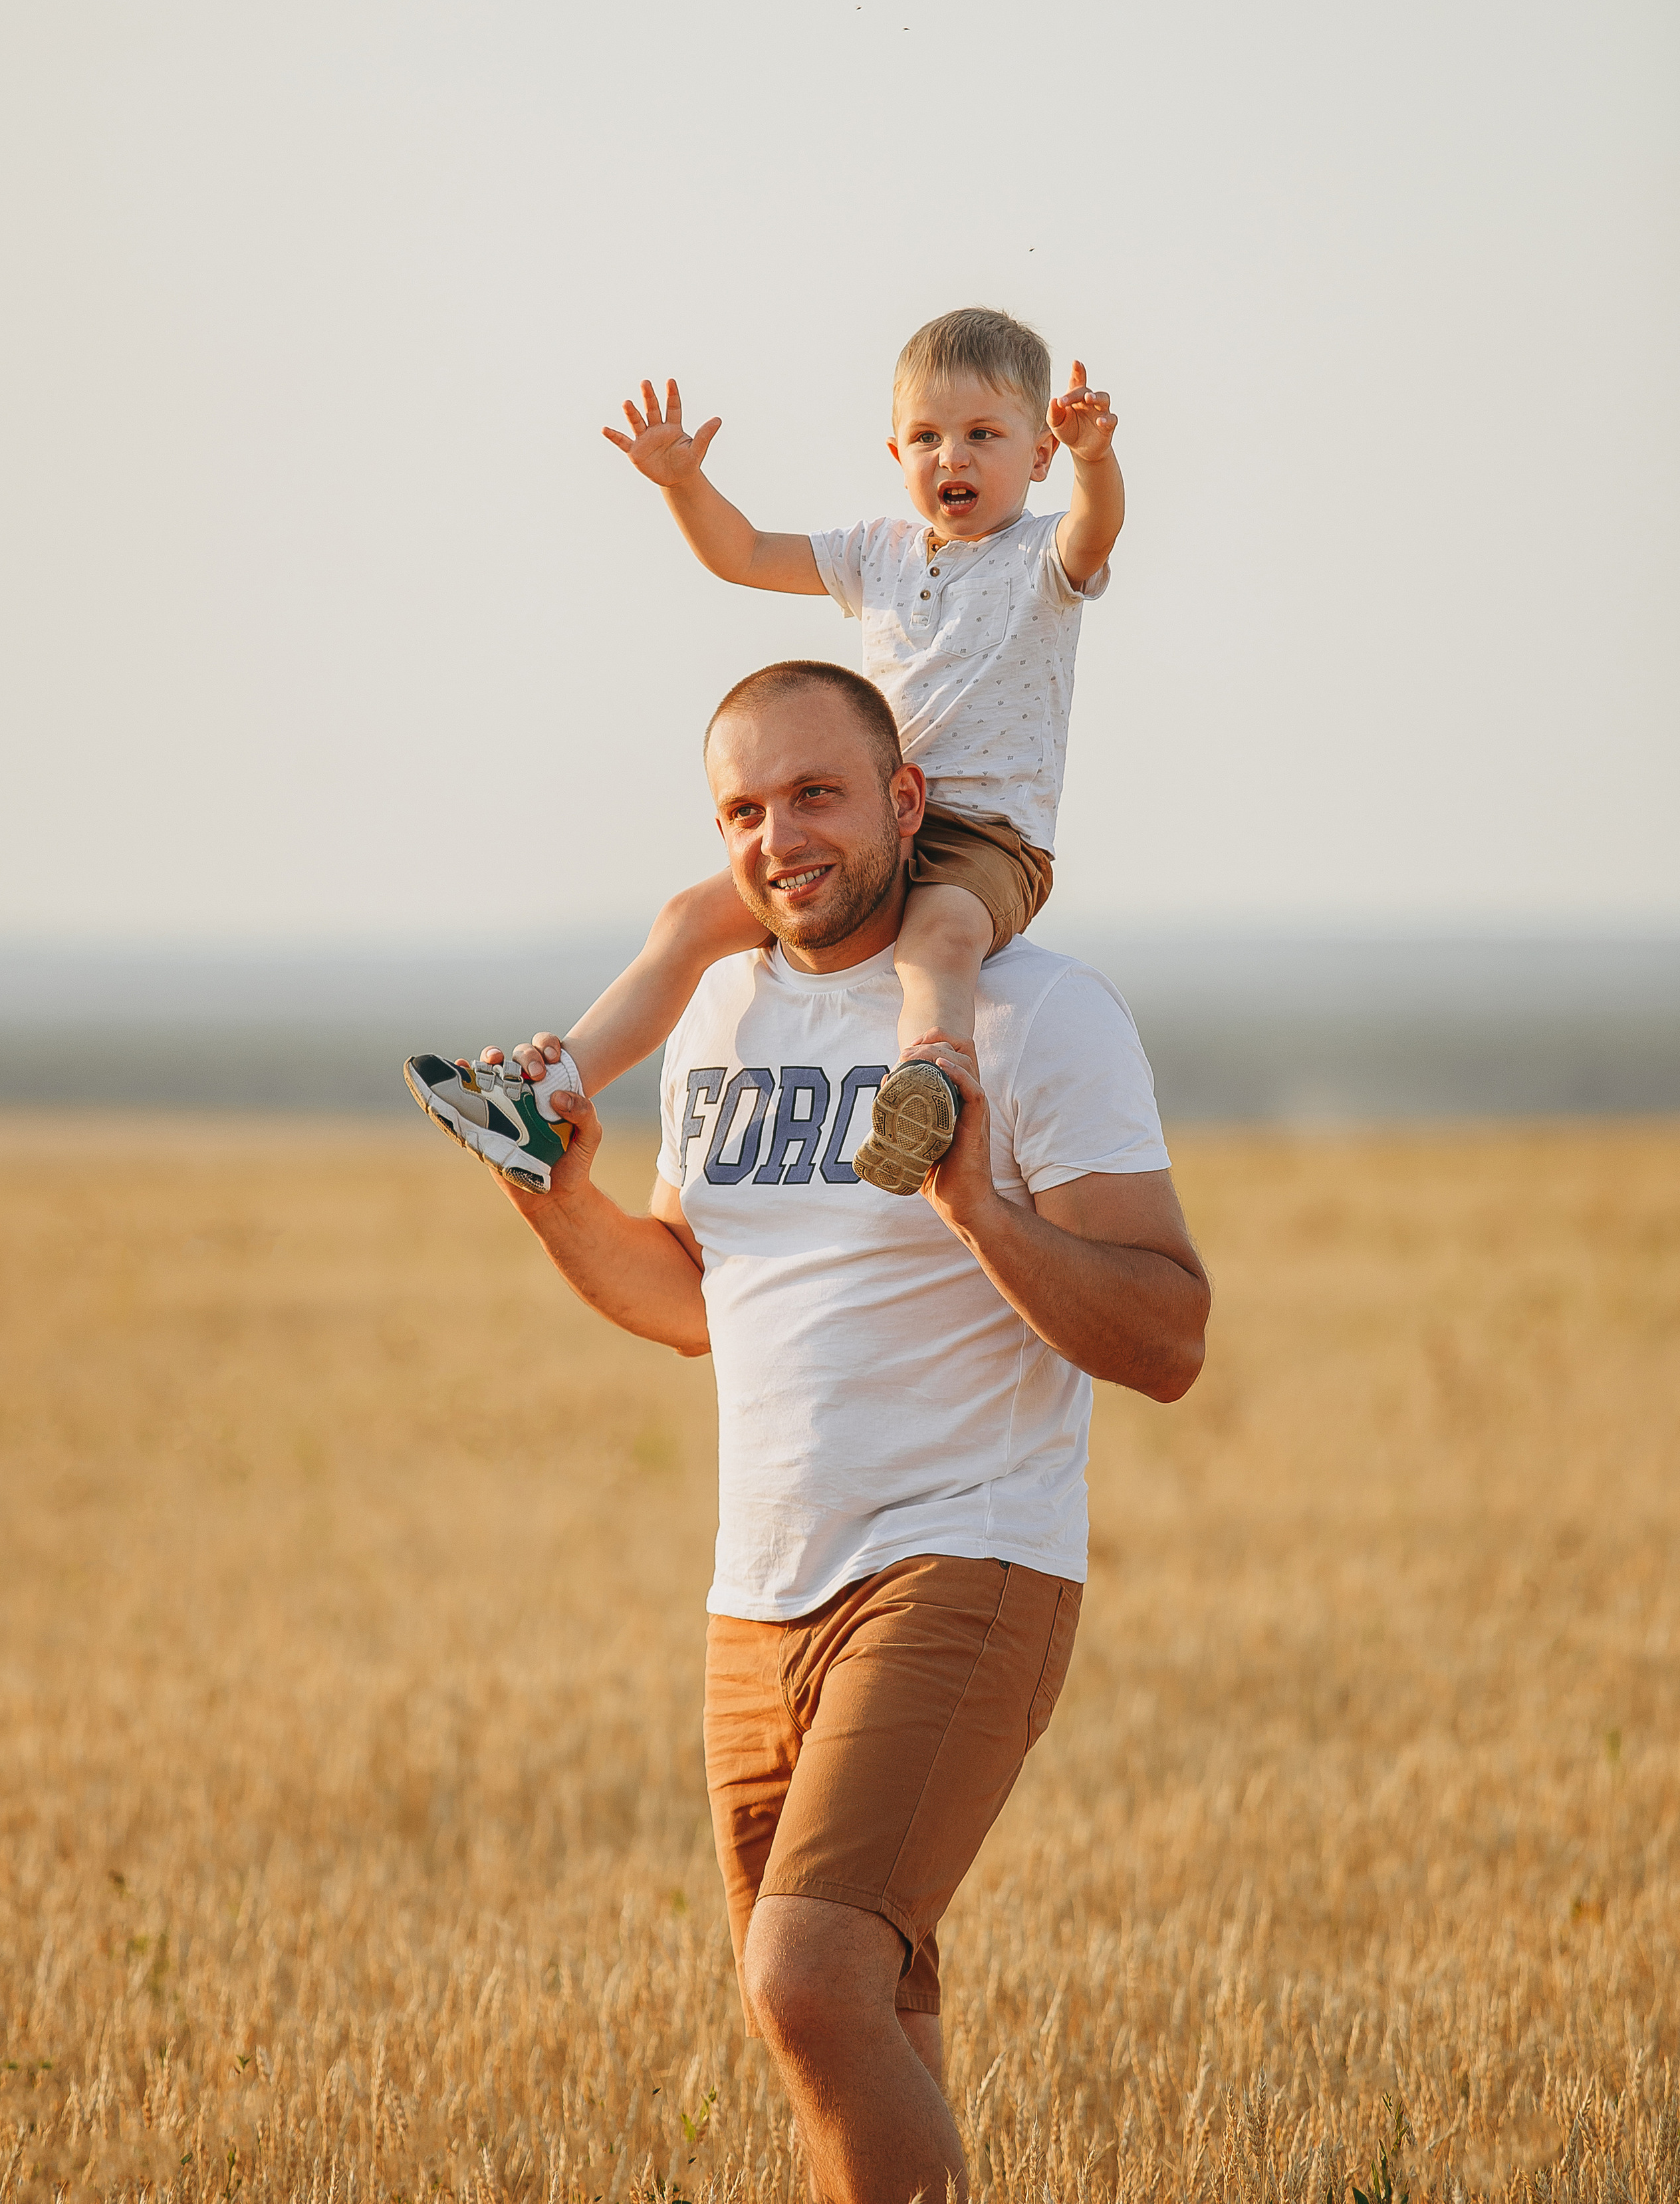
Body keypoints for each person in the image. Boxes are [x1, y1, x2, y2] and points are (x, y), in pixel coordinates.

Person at [463, 661, 1209, 2204]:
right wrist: (557, 1197)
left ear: (902, 801)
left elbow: (1167, 1336)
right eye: (742, 810)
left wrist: (972, 1206)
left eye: (814, 794)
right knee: (858, 2013)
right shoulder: (720, 1013)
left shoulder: (1036, 1016)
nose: (778, 837)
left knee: (803, 1978)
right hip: (754, 1600)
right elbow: (695, 1298)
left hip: (961, 1558)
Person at [406, 305, 1124, 1195]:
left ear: (1041, 452)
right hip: (871, 821)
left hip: (986, 834)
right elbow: (741, 552)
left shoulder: (1040, 556)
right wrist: (682, 483)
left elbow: (1094, 532)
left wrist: (1097, 461)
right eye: (927, 437)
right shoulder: (877, 553)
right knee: (688, 919)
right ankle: (546, 1100)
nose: (954, 458)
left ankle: (928, 1094)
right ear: (895, 453)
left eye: (984, 434)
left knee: (936, 940)